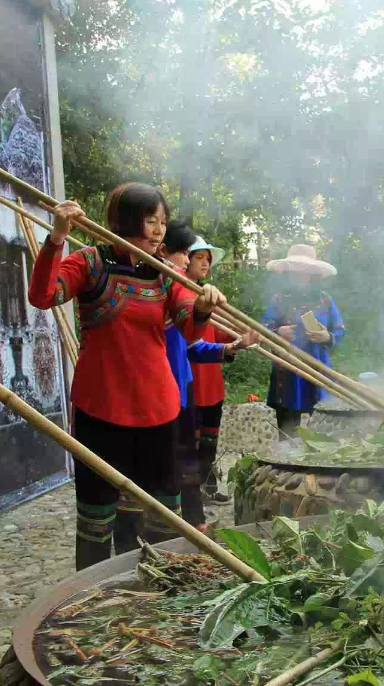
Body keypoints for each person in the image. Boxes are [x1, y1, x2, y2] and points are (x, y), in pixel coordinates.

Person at [29, 185, 227, 569]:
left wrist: (202, 306)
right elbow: (44, 296)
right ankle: (94, 597)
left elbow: (190, 325)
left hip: (159, 411)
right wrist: (56, 239)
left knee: (159, 515)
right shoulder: (89, 262)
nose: (158, 231)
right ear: (125, 220)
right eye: (151, 221)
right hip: (101, 409)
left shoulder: (166, 275)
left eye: (163, 223)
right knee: (96, 514)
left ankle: (157, 591)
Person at [159, 221, 255, 528]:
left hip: (182, 387)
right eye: (188, 254)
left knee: (188, 464)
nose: (191, 262)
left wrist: (232, 348)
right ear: (163, 251)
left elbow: (194, 346)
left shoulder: (189, 296)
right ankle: (172, 529)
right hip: (161, 392)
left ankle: (195, 525)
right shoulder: (160, 294)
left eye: (196, 256)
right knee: (171, 467)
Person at [178, 231, 238, 505]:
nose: (205, 263)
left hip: (212, 382)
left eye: (208, 259)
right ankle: (191, 495)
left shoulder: (209, 295)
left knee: (210, 442)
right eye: (199, 257)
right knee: (191, 443)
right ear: (185, 260)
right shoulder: (178, 295)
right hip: (190, 381)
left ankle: (209, 485)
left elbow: (222, 336)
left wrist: (241, 337)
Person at [262, 244, 345, 436]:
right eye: (295, 270)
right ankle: (286, 461)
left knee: (323, 421)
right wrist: (278, 331)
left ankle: (320, 462)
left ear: (313, 274)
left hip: (318, 366)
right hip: (287, 368)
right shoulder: (279, 299)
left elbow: (339, 330)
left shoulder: (325, 300)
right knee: (288, 426)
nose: (299, 274)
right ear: (288, 272)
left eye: (305, 270)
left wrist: (327, 337)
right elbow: (263, 326)